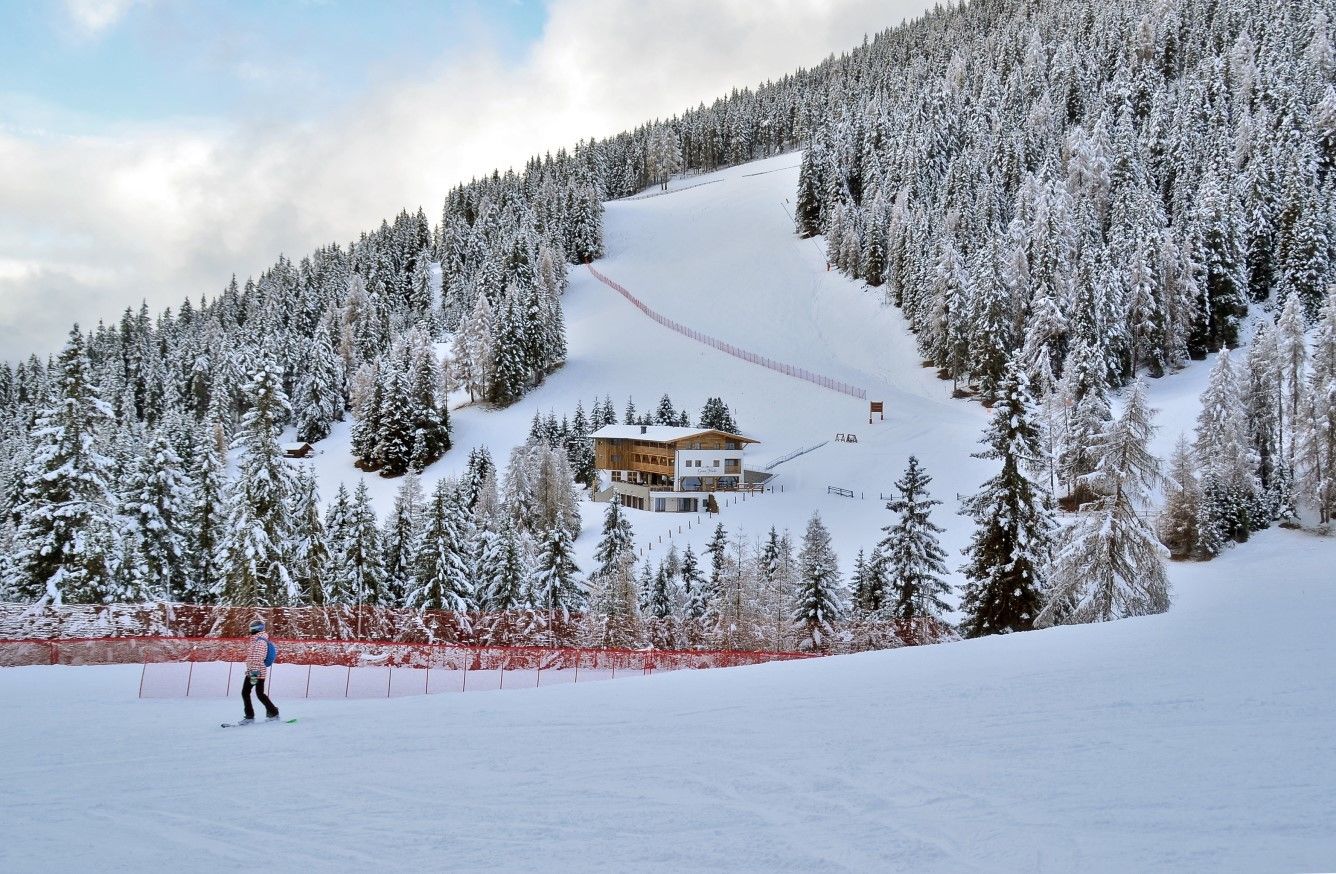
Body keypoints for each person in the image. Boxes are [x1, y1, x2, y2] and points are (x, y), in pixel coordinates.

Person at [239, 619, 280, 723]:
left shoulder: (260, 641)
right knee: (259, 693)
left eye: (251, 628)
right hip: (256, 671)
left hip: (255, 672)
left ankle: (250, 717)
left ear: (256, 629)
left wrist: (253, 672)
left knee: (245, 692)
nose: (250, 629)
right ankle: (273, 712)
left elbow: (257, 658)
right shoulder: (257, 640)